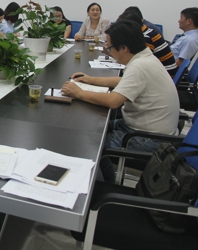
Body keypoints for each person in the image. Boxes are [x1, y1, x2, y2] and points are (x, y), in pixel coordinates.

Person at [61, 20, 179, 183]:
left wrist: (79, 93)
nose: (108, 51)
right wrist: (90, 79)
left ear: (123, 48)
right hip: (144, 128)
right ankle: (106, 180)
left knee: (91, 145)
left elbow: (113, 101)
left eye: (109, 48)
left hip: (149, 138)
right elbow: (123, 82)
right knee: (90, 128)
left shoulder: (139, 66)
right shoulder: (144, 58)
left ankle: (102, 187)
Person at [118, 9, 178, 77]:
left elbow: (139, 61)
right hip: (162, 71)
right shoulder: (147, 31)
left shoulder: (146, 37)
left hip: (165, 74)